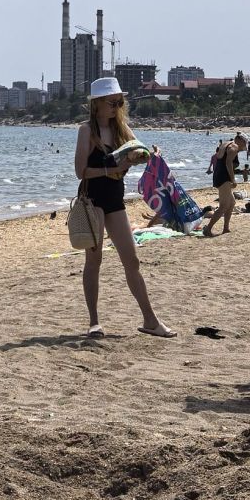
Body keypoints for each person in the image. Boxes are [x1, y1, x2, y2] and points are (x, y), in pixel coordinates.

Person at [73, 77, 176, 338]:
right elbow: (80, 171)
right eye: (112, 102)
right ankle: (94, 322)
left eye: (119, 102)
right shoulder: (87, 130)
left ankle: (150, 321)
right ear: (97, 103)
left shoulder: (122, 128)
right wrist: (113, 169)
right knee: (94, 260)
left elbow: (139, 151)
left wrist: (148, 155)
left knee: (132, 260)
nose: (116, 107)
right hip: (93, 199)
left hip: (115, 199)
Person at [202, 135, 240, 237]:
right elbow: (228, 163)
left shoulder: (226, 145)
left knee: (231, 203)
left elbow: (222, 161)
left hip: (219, 176)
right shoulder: (234, 147)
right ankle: (208, 229)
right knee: (224, 205)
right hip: (224, 178)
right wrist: (233, 180)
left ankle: (226, 228)